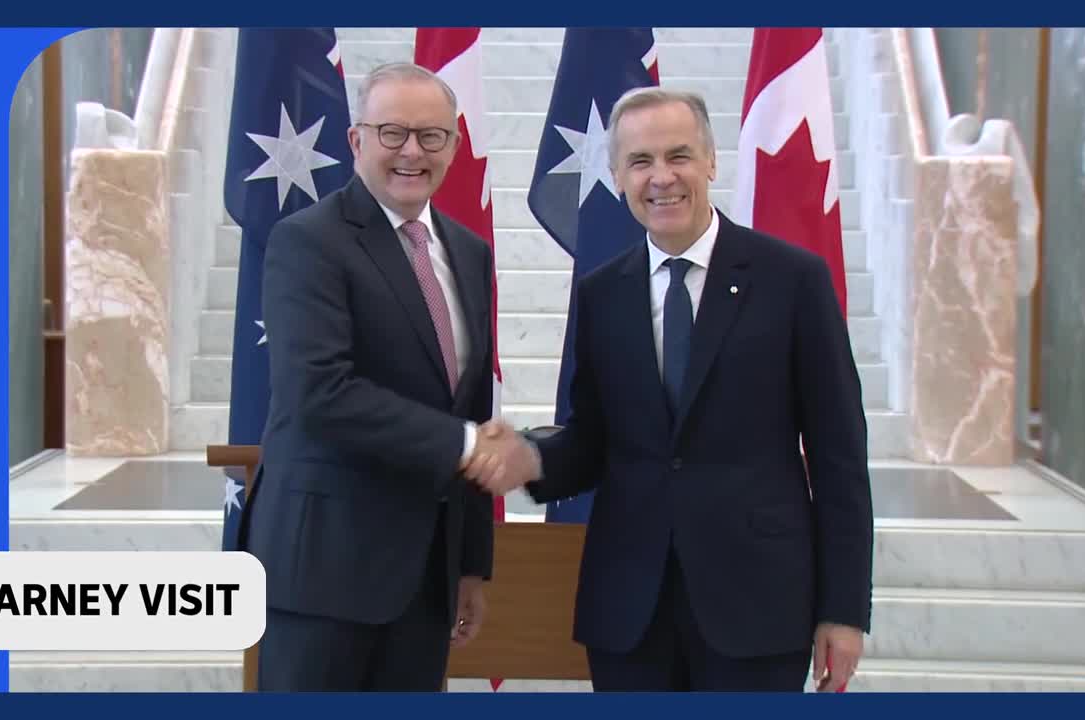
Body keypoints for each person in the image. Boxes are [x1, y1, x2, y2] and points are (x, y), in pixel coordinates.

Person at [468, 86, 874, 692]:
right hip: (632, 610)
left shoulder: (792, 280)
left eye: (678, 155)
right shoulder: (603, 292)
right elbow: (594, 438)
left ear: (711, 161)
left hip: (758, 607)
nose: (661, 178)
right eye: (640, 162)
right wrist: (531, 456)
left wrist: (843, 609)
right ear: (616, 177)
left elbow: (839, 456)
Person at [238, 62, 520, 691]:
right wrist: (466, 444)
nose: (412, 152)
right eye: (392, 132)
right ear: (356, 140)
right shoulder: (308, 242)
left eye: (431, 136)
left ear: (454, 145)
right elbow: (320, 394)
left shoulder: (469, 254)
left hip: (426, 579)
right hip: (324, 573)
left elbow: (470, 406)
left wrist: (470, 563)